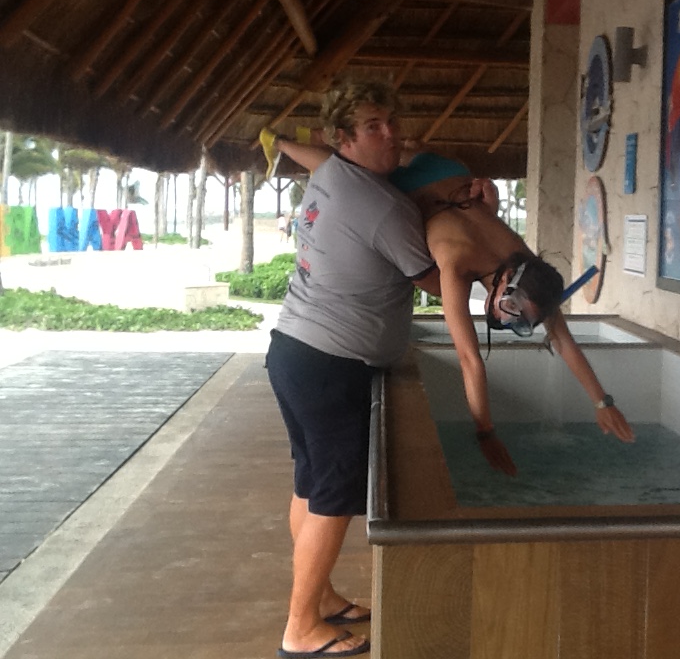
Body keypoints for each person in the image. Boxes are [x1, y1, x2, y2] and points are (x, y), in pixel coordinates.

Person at [264, 135, 635, 477]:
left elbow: (563, 340)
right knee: (337, 170)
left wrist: (602, 402)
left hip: (452, 172)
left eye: (522, 322)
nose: (509, 320)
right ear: (506, 283)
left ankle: (280, 139)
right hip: (415, 191)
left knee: (387, 153)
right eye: (513, 310)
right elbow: (470, 360)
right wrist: (485, 433)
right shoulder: (455, 264)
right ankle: (281, 141)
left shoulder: (524, 262)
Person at [262, 79, 440, 659]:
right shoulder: (384, 206)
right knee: (333, 497)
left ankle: (325, 599)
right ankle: (300, 628)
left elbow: (311, 153)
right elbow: (434, 281)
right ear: (345, 137)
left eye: (391, 121)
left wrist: (285, 143)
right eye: (373, 127)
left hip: (293, 350)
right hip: (333, 363)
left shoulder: (332, 174)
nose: (392, 134)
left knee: (311, 481)